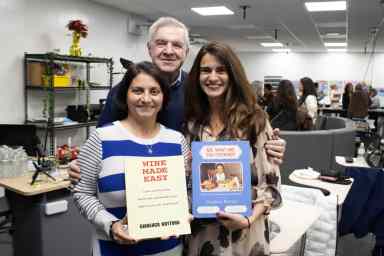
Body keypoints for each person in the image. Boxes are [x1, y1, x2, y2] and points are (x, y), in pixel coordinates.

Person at [68, 17, 286, 182]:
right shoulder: (124, 91)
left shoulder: (199, 89)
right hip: (132, 187)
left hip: (184, 193)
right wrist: (82, 165)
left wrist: (266, 142)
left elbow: (227, 126)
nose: (169, 51)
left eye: (177, 45)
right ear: (150, 48)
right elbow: (101, 141)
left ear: (186, 52)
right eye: (161, 43)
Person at [73, 61, 190, 256]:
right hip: (113, 249)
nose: (146, 99)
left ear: (164, 97)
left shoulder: (177, 141)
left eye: (154, 91)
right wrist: (110, 225)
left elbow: (189, 191)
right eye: (137, 91)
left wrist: (185, 212)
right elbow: (82, 193)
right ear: (125, 95)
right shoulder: (102, 138)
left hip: (169, 249)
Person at [184, 41, 281, 255]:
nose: (212, 77)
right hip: (202, 236)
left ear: (233, 75)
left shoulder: (255, 120)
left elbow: (271, 184)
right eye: (206, 70)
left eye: (221, 70)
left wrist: (248, 219)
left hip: (245, 235)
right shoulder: (191, 125)